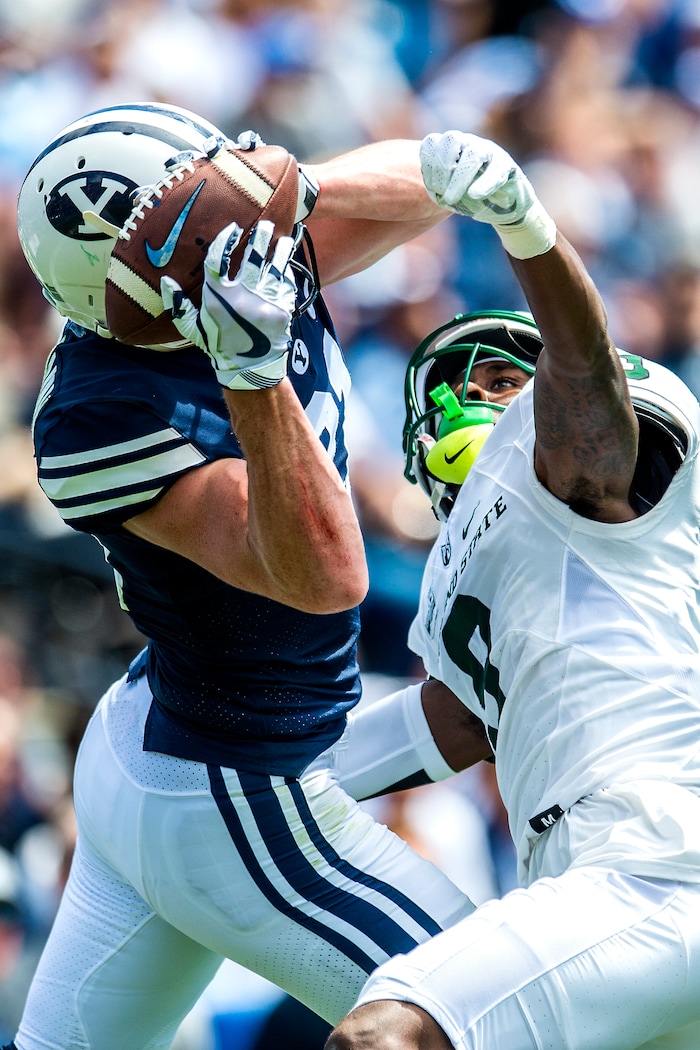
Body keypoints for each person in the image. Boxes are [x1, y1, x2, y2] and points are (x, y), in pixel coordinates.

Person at [7, 104, 491, 1050]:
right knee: (500, 1013)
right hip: (229, 787)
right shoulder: (95, 415)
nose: (234, 237)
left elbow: (436, 188)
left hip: (161, 734)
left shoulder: (230, 260)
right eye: (194, 222)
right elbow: (326, 577)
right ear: (137, 279)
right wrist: (254, 373)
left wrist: (293, 187)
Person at [325, 131, 700, 1049]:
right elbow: (450, 723)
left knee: (388, 1033)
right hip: (598, 871)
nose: (510, 394)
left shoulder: (566, 450)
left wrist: (527, 231)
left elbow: (585, 404)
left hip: (653, 859)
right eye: (485, 378)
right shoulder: (463, 574)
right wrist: (256, 774)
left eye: (516, 376)